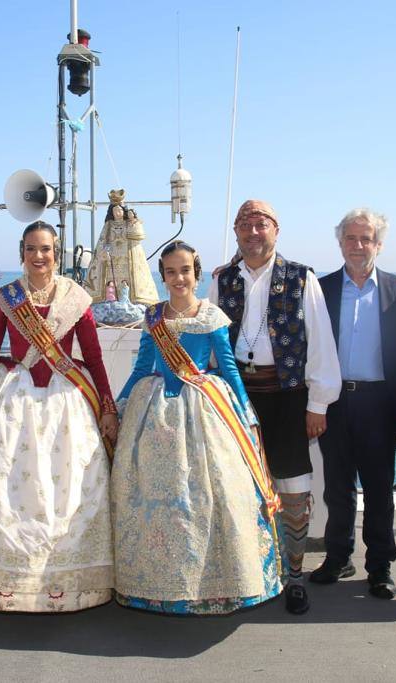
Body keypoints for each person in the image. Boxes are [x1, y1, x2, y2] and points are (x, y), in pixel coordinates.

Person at [0, 221, 118, 612]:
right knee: (3, 486)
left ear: (56, 252)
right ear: (22, 252)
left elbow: (95, 358)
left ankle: (66, 578)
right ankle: (6, 581)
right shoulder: (5, 298)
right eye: (31, 249)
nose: (39, 256)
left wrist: (108, 407)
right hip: (13, 402)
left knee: (70, 492)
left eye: (46, 249)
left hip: (67, 403)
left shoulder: (76, 298)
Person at [112, 241, 282, 615]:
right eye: (170, 272)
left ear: (196, 273)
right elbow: (142, 369)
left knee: (211, 496)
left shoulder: (212, 317)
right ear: (162, 276)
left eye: (185, 270)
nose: (178, 278)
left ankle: (214, 585)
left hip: (204, 411)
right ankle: (154, 584)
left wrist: (245, 412)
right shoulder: (153, 317)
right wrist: (116, 407)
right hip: (153, 415)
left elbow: (229, 368)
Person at [209, 199, 341, 615]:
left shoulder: (302, 279)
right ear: (235, 232)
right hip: (237, 395)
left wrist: (318, 403)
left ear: (276, 230)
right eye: (244, 224)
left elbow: (320, 343)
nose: (252, 232)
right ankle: (251, 573)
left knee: (293, 487)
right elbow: (209, 340)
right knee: (240, 485)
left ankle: (295, 576)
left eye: (260, 224)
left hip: (287, 395)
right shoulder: (222, 279)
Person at [312, 209, 396, 599]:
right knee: (337, 488)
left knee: (378, 490)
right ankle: (338, 557)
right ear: (340, 243)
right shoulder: (320, 290)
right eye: (351, 239)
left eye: (366, 239)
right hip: (334, 400)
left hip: (379, 404)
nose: (358, 246)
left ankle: (380, 567)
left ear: (379, 244)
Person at [84, 189, 159, 307]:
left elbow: (138, 236)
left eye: (119, 210)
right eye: (115, 210)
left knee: (128, 281)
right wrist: (104, 252)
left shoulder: (128, 223)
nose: (117, 213)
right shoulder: (108, 225)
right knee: (111, 282)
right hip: (112, 259)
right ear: (111, 212)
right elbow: (103, 240)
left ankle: (130, 300)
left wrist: (133, 221)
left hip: (127, 258)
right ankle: (110, 299)